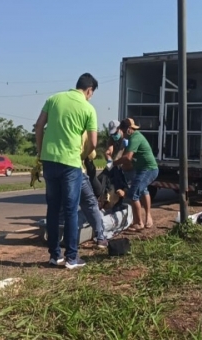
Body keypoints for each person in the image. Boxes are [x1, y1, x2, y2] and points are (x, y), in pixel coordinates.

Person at [35, 73, 99, 269]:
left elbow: (39, 126)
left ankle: (55, 255)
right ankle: (72, 258)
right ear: (89, 90)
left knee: (53, 209)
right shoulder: (88, 108)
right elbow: (94, 142)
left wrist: (40, 152)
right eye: (91, 94)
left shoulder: (54, 99)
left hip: (49, 160)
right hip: (71, 164)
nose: (90, 97)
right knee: (71, 210)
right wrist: (84, 155)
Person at [113, 118, 159, 231]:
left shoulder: (135, 138)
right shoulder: (133, 137)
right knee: (143, 190)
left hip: (148, 169)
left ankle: (139, 223)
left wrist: (115, 163)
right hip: (143, 168)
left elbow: (128, 157)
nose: (122, 134)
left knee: (133, 193)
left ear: (128, 129)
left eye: (123, 131)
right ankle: (147, 218)